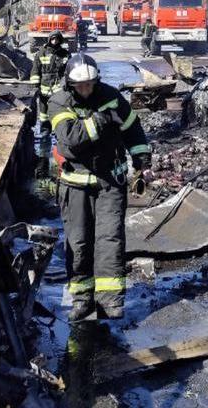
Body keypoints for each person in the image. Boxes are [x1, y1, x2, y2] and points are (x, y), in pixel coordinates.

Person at [48, 53, 151, 321]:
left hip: (110, 183)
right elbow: (70, 140)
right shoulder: (60, 101)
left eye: (90, 84)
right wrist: (102, 121)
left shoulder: (112, 97)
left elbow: (132, 129)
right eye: (80, 86)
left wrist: (141, 158)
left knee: (110, 241)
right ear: (70, 85)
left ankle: (110, 302)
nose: (86, 89)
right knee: (79, 243)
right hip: (76, 185)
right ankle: (82, 300)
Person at [28, 31, 70, 173]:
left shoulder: (65, 54)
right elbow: (35, 70)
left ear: (60, 40)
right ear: (49, 39)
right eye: (52, 38)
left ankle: (60, 140)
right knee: (44, 117)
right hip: (44, 92)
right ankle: (43, 150)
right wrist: (35, 86)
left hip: (59, 93)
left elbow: (67, 72)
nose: (54, 41)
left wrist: (65, 87)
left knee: (60, 117)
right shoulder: (41, 53)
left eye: (57, 38)